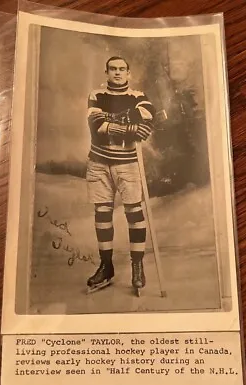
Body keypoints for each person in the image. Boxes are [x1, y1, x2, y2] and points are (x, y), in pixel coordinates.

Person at [86, 56, 155, 294]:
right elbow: (97, 126)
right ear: (106, 72)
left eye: (122, 69)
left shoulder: (139, 96)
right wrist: (129, 126)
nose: (117, 73)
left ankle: (137, 267)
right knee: (102, 213)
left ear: (128, 73)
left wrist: (112, 121)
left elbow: (147, 116)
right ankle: (106, 267)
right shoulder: (96, 95)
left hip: (127, 165)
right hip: (98, 163)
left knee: (134, 213)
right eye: (113, 69)